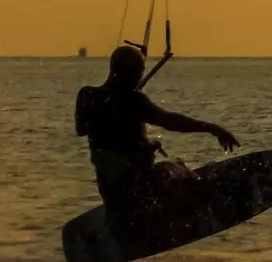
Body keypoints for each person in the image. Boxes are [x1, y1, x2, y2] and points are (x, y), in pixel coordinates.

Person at [75, 44, 238, 216]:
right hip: (140, 190)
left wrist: (143, 144)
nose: (139, 77)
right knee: (178, 168)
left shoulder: (87, 96)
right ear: (128, 73)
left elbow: (84, 130)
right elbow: (170, 121)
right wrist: (212, 128)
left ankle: (119, 214)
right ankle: (203, 202)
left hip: (110, 191)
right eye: (138, 72)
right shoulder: (134, 101)